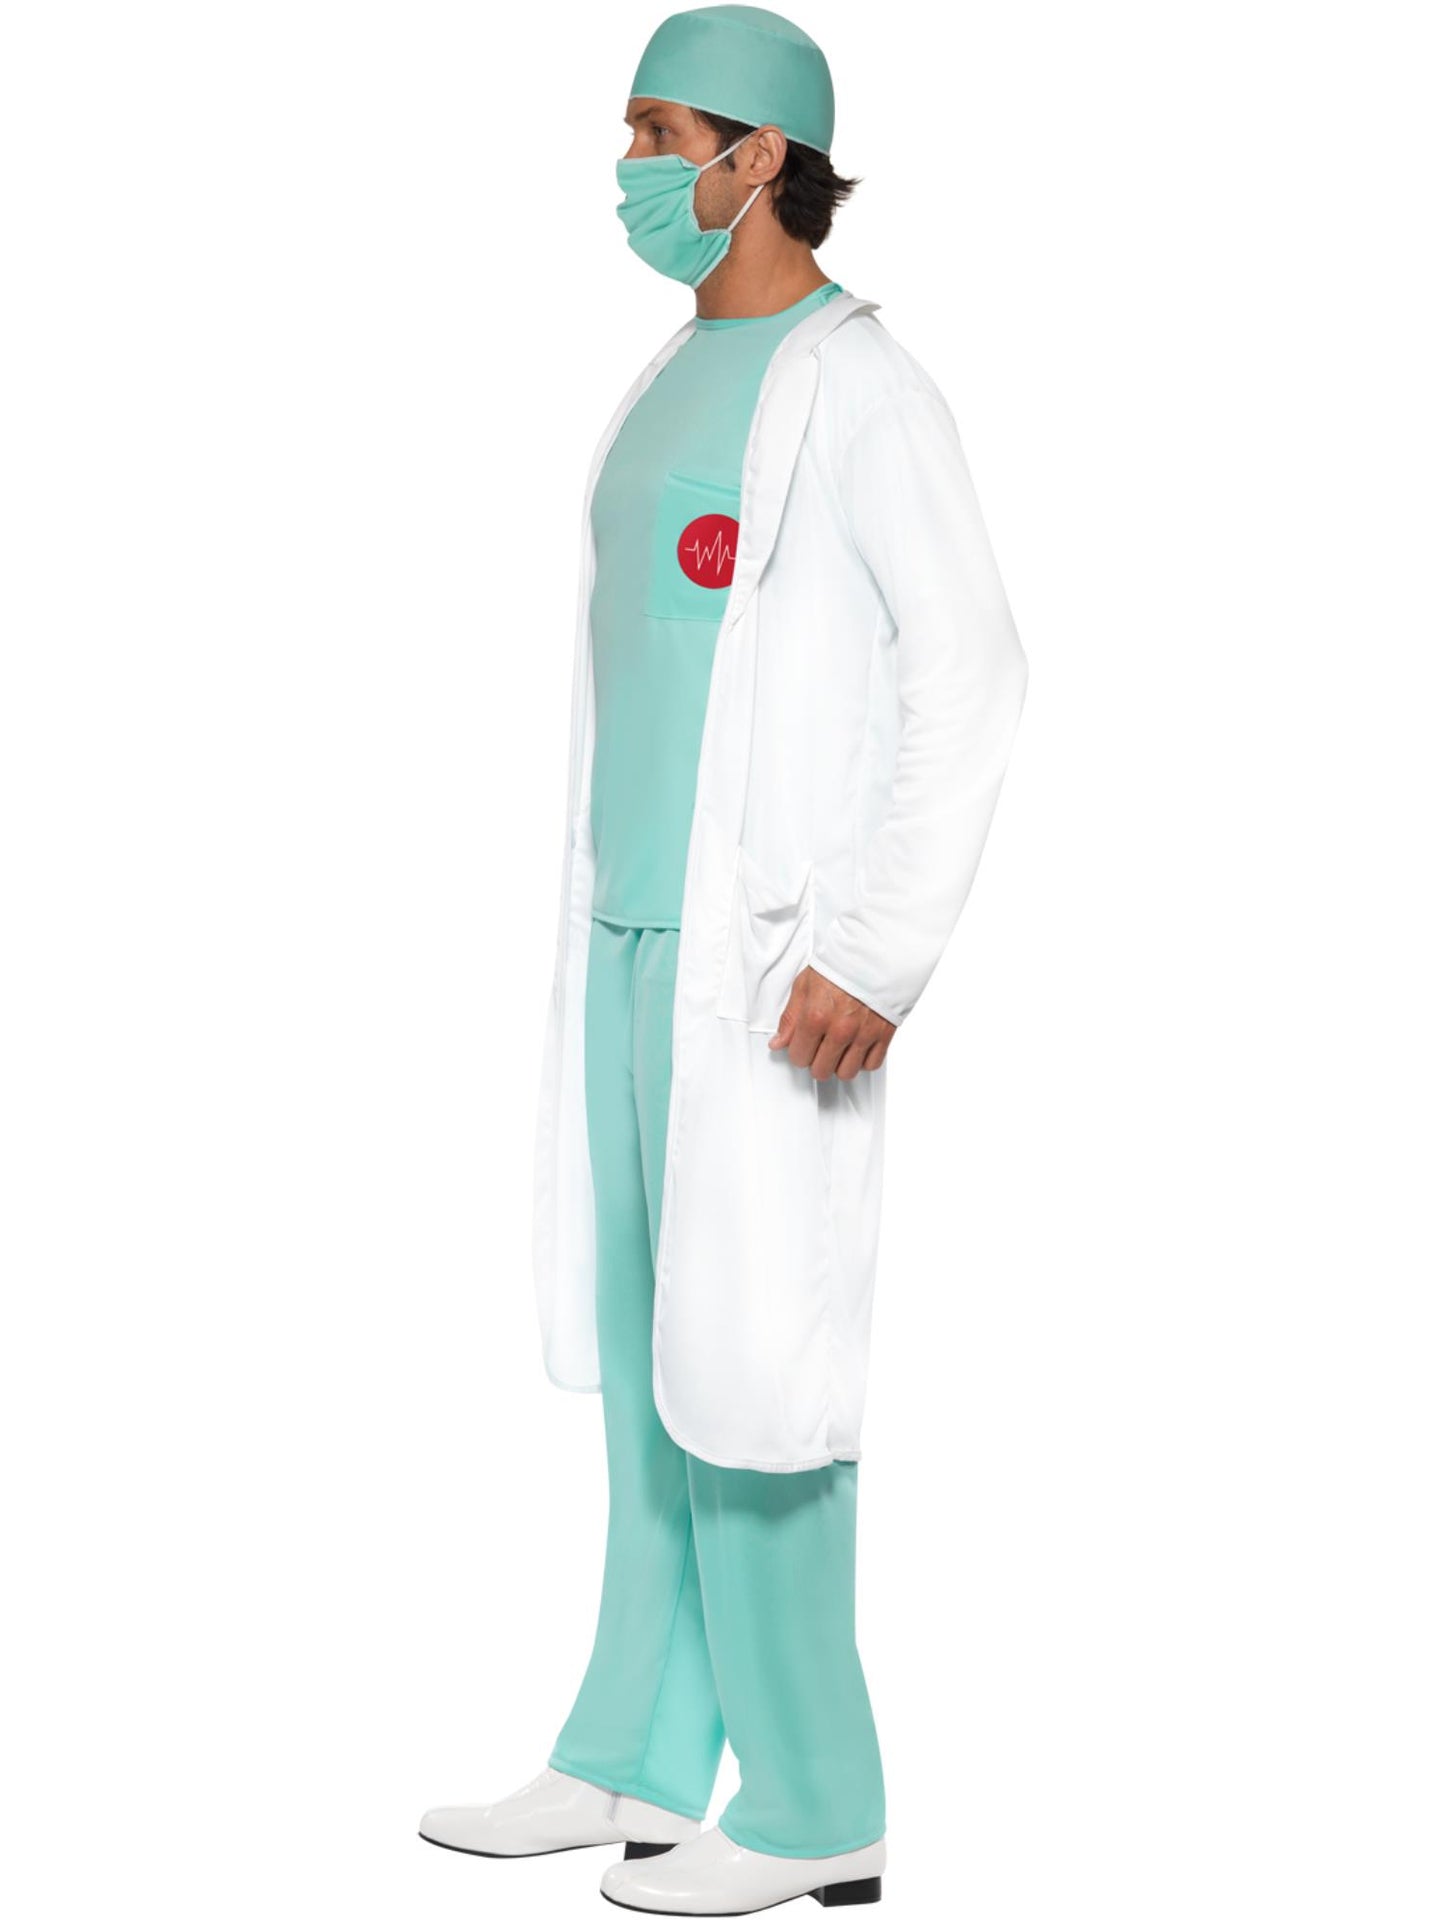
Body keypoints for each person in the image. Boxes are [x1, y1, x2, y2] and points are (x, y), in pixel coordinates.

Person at [420, 5, 1028, 1913]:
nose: (627, 172)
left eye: (655, 134)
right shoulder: (671, 376)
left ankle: (818, 1798)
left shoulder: (864, 389)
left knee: (760, 1378)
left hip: (769, 980)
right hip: (627, 951)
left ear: (757, 159)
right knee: (649, 1360)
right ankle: (636, 1751)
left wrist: (879, 951)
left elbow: (975, 672)